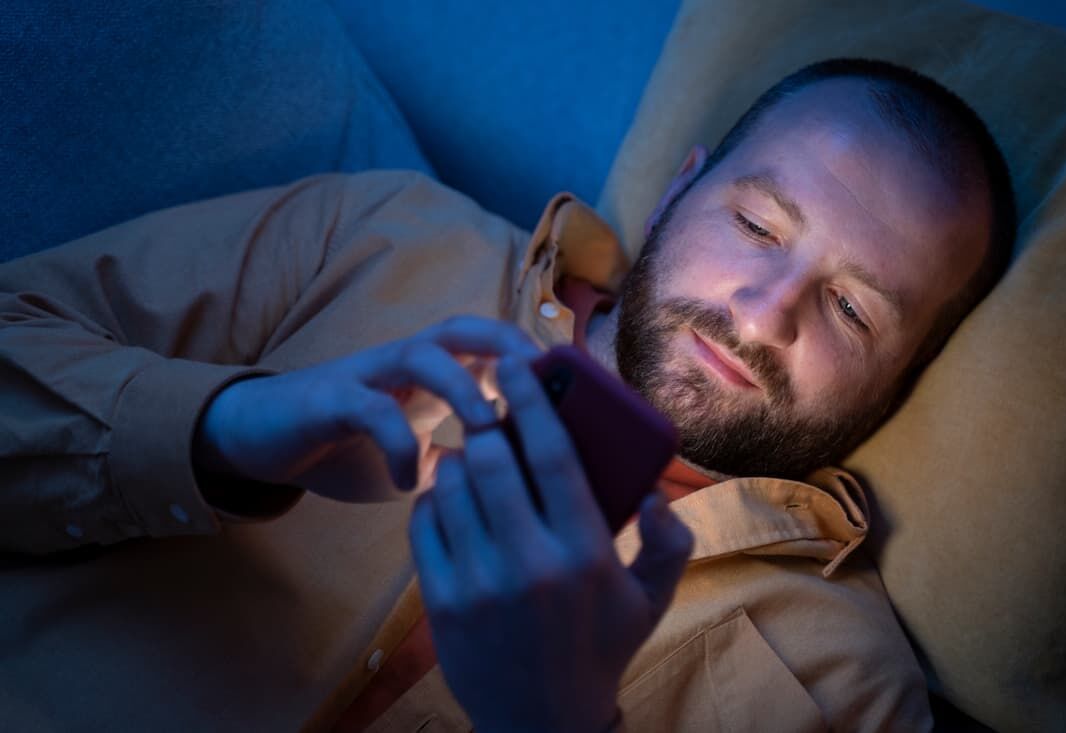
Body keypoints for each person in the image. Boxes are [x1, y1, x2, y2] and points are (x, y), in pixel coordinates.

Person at [0, 58, 1013, 732]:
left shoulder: (846, 679)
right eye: (755, 225)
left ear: (907, 375)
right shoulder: (382, 234)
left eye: (850, 308)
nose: (763, 314)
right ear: (676, 188)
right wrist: (221, 430)